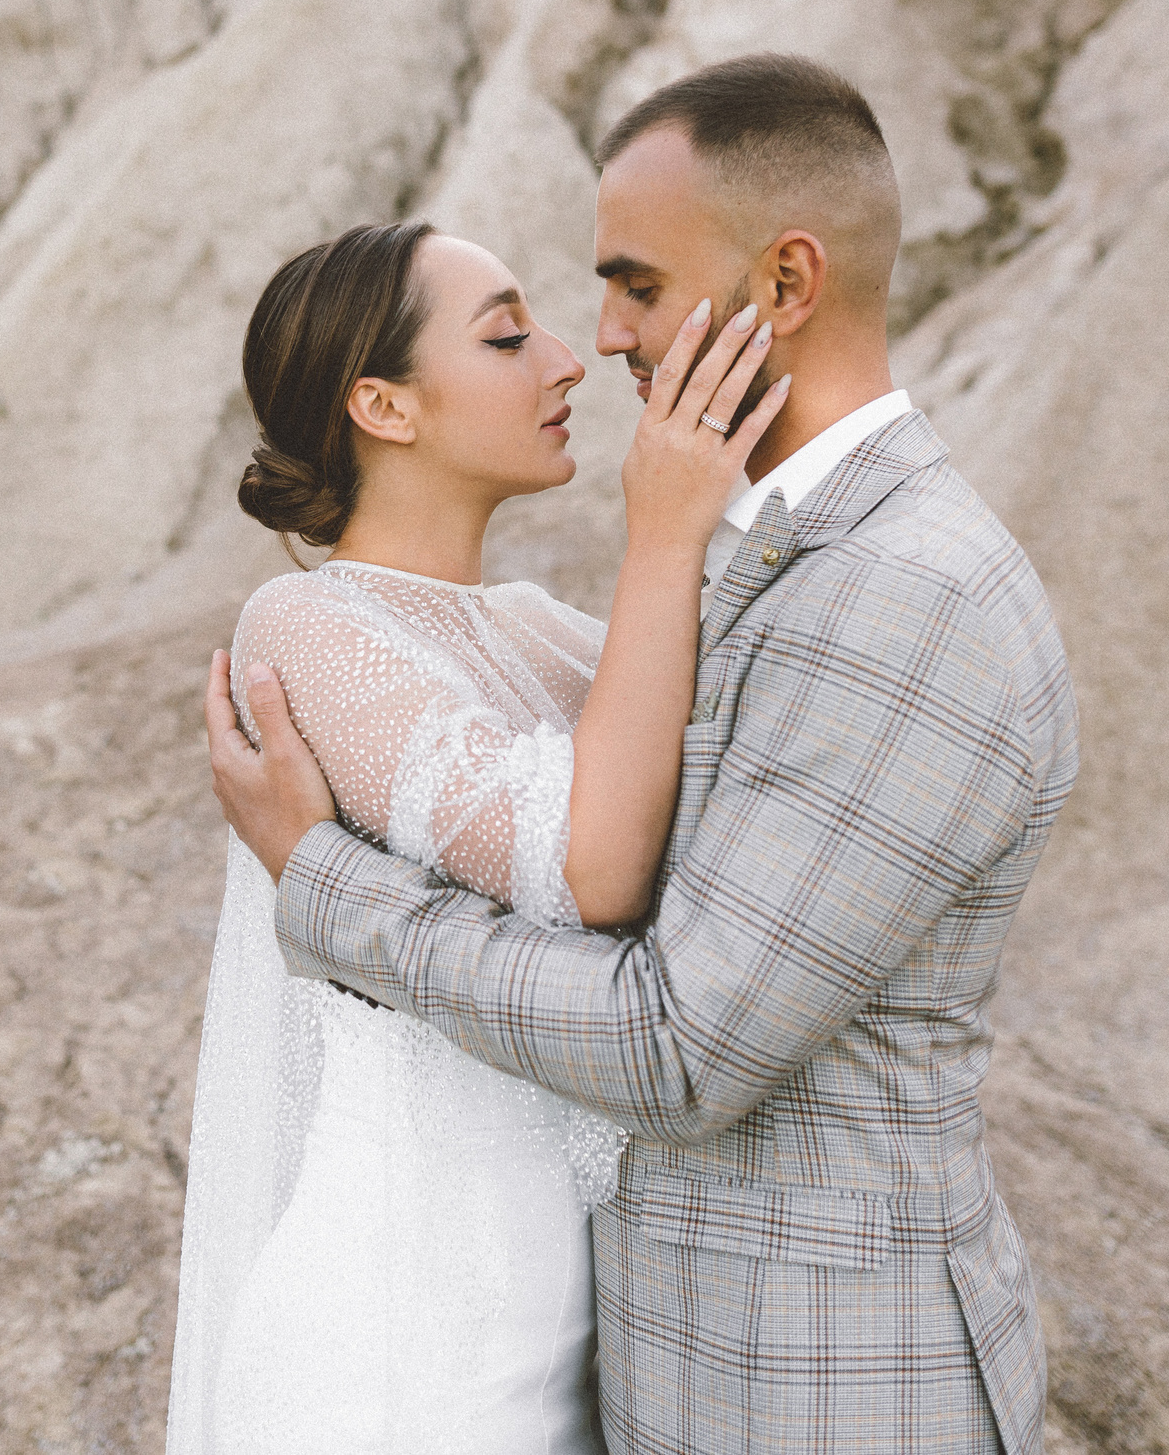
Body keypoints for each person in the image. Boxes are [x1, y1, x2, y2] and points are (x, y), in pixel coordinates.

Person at [203, 54, 1078, 1455]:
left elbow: (682, 1039)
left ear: (785, 285)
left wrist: (321, 882)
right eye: (531, 323)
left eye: (639, 287)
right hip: (513, 1339)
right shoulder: (772, 558)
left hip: (826, 1382)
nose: (600, 341)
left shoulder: (903, 591)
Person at [165, 215, 787, 1453]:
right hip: (397, 1342)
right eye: (507, 335)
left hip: (547, 1323)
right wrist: (662, 529)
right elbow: (589, 869)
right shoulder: (305, 625)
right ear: (383, 407)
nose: (567, 360)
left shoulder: (535, 630)